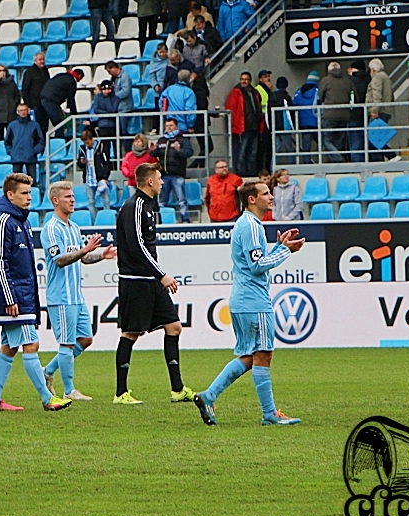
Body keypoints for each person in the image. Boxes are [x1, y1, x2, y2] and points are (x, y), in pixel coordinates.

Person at [193, 180, 303, 427]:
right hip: (254, 301)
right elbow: (256, 266)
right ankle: (270, 414)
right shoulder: (252, 226)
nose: (271, 196)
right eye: (265, 193)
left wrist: (278, 246)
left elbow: (254, 259)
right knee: (263, 355)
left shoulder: (246, 224)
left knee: (250, 356)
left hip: (242, 300)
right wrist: (285, 251)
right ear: (252, 199)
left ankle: (209, 395)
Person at [0, 174, 72, 412]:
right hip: (13, 298)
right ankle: (47, 398)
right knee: (31, 344)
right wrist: (9, 297)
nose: (29, 198)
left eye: (30, 193)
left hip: (23, 296)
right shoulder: (2, 222)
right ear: (10, 195)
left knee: (9, 347)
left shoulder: (22, 221)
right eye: (24, 193)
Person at [114, 163, 195, 404]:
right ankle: (120, 393)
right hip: (136, 281)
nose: (162, 182)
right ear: (149, 182)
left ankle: (178, 389)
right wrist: (162, 274)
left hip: (150, 280)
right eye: (159, 178)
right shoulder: (135, 206)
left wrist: (157, 276)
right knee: (130, 333)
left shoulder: (148, 206)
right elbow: (137, 247)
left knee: (174, 327)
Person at [40, 182, 115, 401]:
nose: (72, 200)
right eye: (67, 197)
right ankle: (69, 390)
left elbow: (82, 257)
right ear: (56, 201)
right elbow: (60, 259)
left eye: (73, 196)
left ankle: (48, 371)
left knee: (86, 339)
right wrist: (85, 249)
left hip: (76, 295)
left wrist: (101, 255)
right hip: (61, 296)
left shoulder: (73, 228)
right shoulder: (51, 228)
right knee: (67, 342)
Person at [151, 119, 194, 223]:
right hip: (163, 175)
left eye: (171, 125)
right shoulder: (161, 140)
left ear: (176, 126)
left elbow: (189, 153)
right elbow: (154, 155)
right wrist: (152, 151)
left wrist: (179, 150)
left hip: (177, 175)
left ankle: (185, 220)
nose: (168, 128)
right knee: (161, 201)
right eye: (167, 126)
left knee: (182, 200)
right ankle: (162, 220)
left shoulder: (183, 140)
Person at [225, 72, 265, 176]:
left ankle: (251, 172)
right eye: (242, 79)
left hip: (254, 127)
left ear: (250, 81)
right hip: (242, 128)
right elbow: (231, 110)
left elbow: (258, 109)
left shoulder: (254, 93)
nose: (243, 81)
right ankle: (240, 172)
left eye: (246, 79)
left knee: (252, 152)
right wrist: (235, 125)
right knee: (241, 152)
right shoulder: (235, 93)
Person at [318, 61, 356, 163]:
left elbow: (320, 97)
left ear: (329, 70)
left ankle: (338, 159)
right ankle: (338, 163)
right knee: (339, 141)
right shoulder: (347, 81)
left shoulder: (325, 81)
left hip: (330, 115)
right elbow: (354, 96)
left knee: (326, 140)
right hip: (345, 115)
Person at [77, 129, 112, 223]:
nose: (87, 144)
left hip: (100, 179)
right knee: (91, 202)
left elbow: (107, 163)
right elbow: (79, 165)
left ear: (92, 139)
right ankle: (95, 222)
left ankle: (107, 221)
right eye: (85, 142)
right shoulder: (82, 149)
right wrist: (81, 163)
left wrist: (105, 178)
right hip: (89, 179)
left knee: (106, 200)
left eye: (88, 142)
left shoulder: (101, 147)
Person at [366, 58, 396, 161]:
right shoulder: (386, 77)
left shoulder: (377, 78)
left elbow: (376, 94)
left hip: (379, 111)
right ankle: (382, 161)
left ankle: (391, 155)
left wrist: (374, 110)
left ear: (373, 69)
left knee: (372, 139)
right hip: (386, 110)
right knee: (377, 138)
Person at [4, 102, 44, 177]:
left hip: (31, 157)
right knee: (17, 182)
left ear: (28, 111)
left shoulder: (35, 125)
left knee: (32, 181)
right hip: (16, 157)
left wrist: (33, 151)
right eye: (21, 110)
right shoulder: (12, 125)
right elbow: (7, 141)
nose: (23, 112)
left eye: (25, 110)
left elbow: (40, 141)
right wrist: (11, 152)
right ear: (18, 112)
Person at [39, 69, 83, 136]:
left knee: (44, 124)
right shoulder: (72, 82)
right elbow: (71, 100)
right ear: (79, 75)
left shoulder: (61, 75)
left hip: (44, 98)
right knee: (59, 125)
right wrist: (74, 116)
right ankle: (59, 143)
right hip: (51, 101)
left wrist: (59, 108)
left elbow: (56, 91)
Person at [265, 75, 294, 165]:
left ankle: (273, 168)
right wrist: (293, 127)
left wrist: (270, 128)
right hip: (285, 126)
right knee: (289, 148)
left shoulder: (270, 96)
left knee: (276, 149)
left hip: (274, 127)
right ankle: (291, 167)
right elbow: (289, 113)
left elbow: (267, 114)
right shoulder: (286, 97)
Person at [292, 71, 320, 163]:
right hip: (317, 123)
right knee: (323, 144)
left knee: (306, 147)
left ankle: (306, 164)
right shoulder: (318, 90)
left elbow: (294, 104)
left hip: (303, 123)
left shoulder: (299, 91)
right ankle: (323, 163)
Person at [160, 69, 197, 135]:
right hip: (183, 127)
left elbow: (161, 103)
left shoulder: (169, 89)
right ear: (189, 79)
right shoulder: (189, 92)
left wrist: (165, 117)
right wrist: (190, 125)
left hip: (169, 125)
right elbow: (190, 110)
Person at [346, 59, 370, 163]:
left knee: (354, 140)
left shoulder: (350, 80)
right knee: (364, 138)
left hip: (353, 113)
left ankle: (357, 163)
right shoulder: (369, 78)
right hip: (365, 113)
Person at [0, 65, 20, 141]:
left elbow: (17, 94)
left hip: (10, 112)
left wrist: (14, 104)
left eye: (3, 70)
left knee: (12, 136)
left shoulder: (11, 82)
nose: (2, 72)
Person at [20, 52, 50, 130]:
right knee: (36, 127)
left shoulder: (46, 71)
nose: (42, 61)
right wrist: (28, 105)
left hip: (45, 104)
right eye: (40, 59)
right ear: (35, 61)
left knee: (44, 127)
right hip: (35, 104)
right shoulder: (29, 72)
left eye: (43, 59)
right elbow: (25, 90)